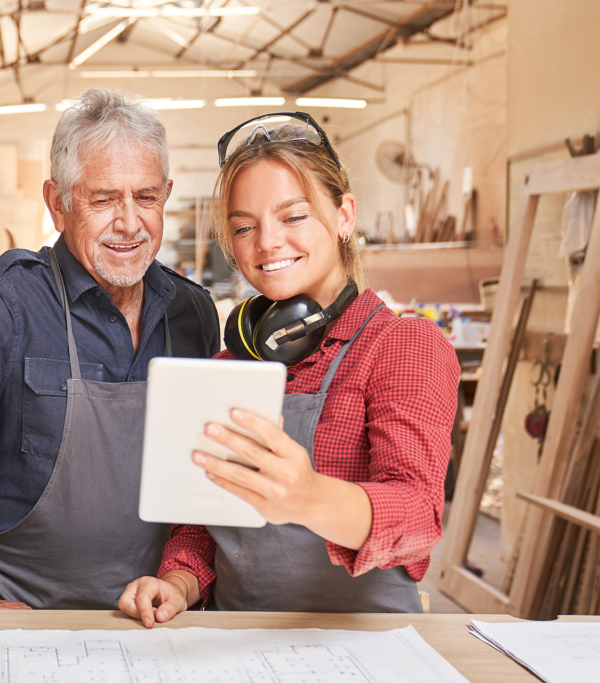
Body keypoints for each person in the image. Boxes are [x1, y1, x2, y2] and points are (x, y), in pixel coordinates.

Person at [0, 88, 221, 610]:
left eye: (145, 198)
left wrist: (187, 582)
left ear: (166, 193)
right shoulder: (6, 303)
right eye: (102, 199)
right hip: (21, 620)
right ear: (57, 203)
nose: (129, 222)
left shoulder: (193, 313)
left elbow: (204, 481)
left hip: (153, 618)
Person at [119, 112, 459, 625]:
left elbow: (418, 518)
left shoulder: (402, 346)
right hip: (237, 642)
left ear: (345, 215)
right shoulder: (231, 363)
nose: (268, 242)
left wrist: (308, 497)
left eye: (293, 216)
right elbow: (203, 526)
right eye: (244, 227)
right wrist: (177, 584)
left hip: (366, 645)